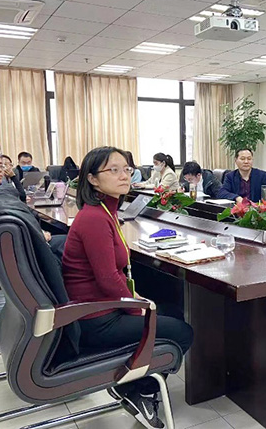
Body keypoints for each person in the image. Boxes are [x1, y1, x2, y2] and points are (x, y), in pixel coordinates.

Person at [62, 146, 193, 429]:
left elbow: (113, 275)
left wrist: (137, 299)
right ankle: (139, 391)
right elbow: (108, 278)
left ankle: (134, 384)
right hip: (95, 320)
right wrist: (137, 307)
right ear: (93, 179)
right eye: (114, 170)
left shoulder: (105, 211)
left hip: (101, 306)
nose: (124, 175)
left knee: (172, 311)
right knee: (183, 333)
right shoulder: (94, 218)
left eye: (126, 169)